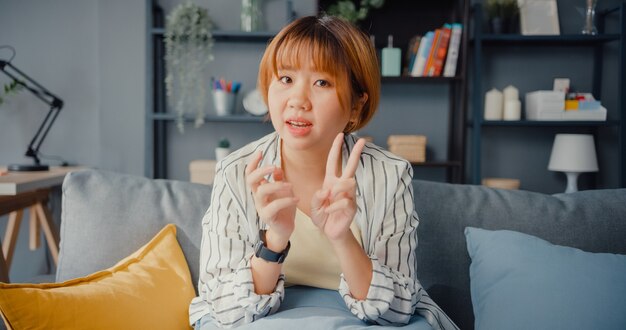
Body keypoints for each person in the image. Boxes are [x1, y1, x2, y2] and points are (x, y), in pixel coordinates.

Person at [189, 15, 458, 330]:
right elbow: (225, 306)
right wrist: (274, 240)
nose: (298, 101)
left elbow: (398, 309)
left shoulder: (390, 174)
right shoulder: (236, 172)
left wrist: (342, 237)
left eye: (322, 82)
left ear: (357, 105)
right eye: (286, 79)